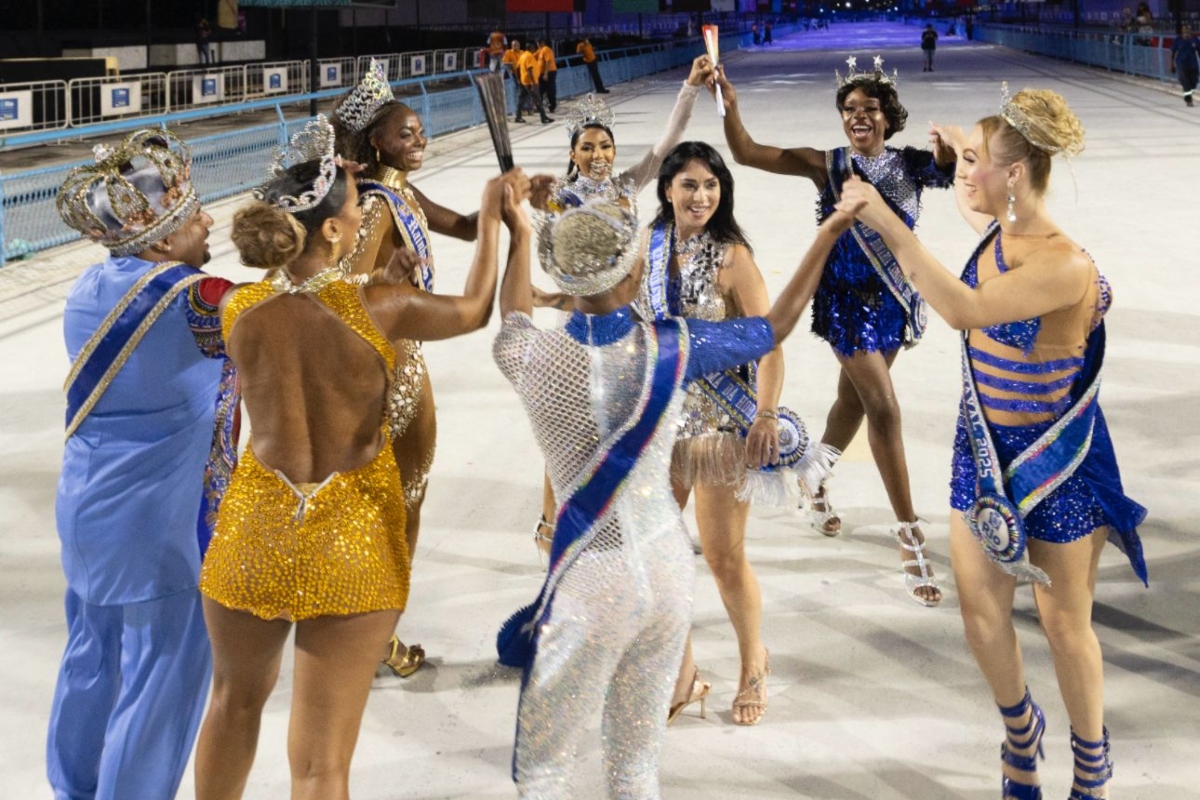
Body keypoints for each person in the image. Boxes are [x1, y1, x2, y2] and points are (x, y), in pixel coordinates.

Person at [194, 115, 528, 800]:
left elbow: (296, 329)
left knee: (232, 706)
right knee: (321, 765)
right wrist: (497, 218)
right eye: (353, 208)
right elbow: (472, 309)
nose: (361, 210)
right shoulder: (378, 305)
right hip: (350, 530)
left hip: (254, 524)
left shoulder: (240, 311)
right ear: (334, 231)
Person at [836, 86, 1147, 800]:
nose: (960, 177)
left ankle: (1092, 761)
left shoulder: (1064, 263)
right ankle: (1020, 729)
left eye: (977, 164)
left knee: (1065, 624)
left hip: (1055, 465)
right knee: (980, 613)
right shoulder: (1000, 227)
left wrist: (885, 220)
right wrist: (961, 149)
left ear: (1015, 175)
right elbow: (971, 200)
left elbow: (964, 309)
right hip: (982, 451)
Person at [495, 192, 854, 798]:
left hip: (591, 582)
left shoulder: (526, 353)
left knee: (543, 768)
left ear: (560, 276)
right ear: (634, 273)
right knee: (634, 765)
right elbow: (777, 325)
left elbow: (510, 312)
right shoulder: (672, 346)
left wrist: (517, 233)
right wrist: (832, 229)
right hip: (665, 573)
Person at [713, 59, 956, 606]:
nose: (857, 117)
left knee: (851, 401)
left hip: (894, 306)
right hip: (844, 307)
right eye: (849, 110)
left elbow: (946, 167)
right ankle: (909, 534)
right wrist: (728, 102)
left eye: (868, 109)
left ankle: (815, 476)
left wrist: (944, 148)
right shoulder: (827, 166)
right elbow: (747, 151)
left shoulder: (912, 165)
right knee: (885, 409)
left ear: (888, 118)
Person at [48, 128, 240, 800]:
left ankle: (73, 789)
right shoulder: (191, 300)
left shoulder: (91, 285)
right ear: (160, 242)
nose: (209, 220)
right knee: (162, 679)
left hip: (87, 517)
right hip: (157, 531)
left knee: (91, 660)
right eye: (193, 217)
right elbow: (276, 324)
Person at [637, 141, 837, 726]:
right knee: (654, 554)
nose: (701, 196)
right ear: (667, 189)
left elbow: (769, 343)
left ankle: (753, 664)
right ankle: (682, 672)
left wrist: (767, 414)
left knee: (723, 558)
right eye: (690, 185)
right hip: (658, 427)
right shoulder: (645, 250)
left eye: (712, 185)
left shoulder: (731, 256)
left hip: (720, 429)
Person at [526, 54, 713, 561]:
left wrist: (689, 87)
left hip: (632, 324)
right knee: (569, 430)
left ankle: (642, 521)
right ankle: (550, 524)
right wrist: (535, 206)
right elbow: (556, 269)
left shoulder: (629, 187)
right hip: (581, 328)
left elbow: (668, 143)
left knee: (637, 431)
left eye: (604, 144)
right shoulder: (560, 200)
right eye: (587, 146)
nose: (598, 154)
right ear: (573, 152)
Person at [332, 60, 483, 677]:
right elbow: (343, 286)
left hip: (405, 361)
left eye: (421, 132)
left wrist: (507, 206)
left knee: (399, 503)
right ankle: (376, 634)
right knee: (402, 503)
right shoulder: (374, 206)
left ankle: (373, 627)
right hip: (389, 372)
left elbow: (470, 229)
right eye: (406, 134)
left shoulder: (404, 193)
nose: (419, 141)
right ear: (376, 141)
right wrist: (387, 280)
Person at [516, 42, 553, 125]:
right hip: (530, 82)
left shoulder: (523, 55)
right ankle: (544, 118)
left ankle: (518, 116)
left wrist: (519, 79)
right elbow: (530, 70)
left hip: (524, 81)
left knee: (521, 99)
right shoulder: (529, 56)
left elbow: (517, 68)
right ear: (532, 48)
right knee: (537, 100)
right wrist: (533, 82)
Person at [1170, 25, 1199, 106]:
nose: (1187, 31)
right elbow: (1173, 52)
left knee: (1194, 82)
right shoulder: (1178, 40)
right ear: (1182, 31)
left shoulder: (1194, 39)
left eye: (1188, 30)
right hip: (1181, 64)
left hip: (1193, 64)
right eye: (1185, 30)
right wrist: (1172, 64)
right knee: (1186, 82)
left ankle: (1188, 94)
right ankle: (1188, 99)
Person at [536, 38, 558, 113]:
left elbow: (548, 62)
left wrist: (546, 74)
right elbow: (532, 56)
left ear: (542, 42)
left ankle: (552, 106)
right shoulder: (540, 50)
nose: (537, 45)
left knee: (550, 90)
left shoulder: (546, 49)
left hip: (549, 72)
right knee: (540, 90)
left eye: (538, 43)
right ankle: (540, 107)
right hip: (542, 74)